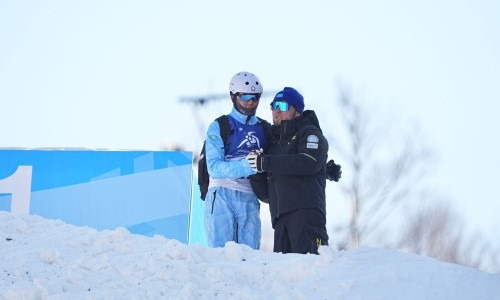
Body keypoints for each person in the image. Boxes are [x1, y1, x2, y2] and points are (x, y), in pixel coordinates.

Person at [246, 87, 329, 254]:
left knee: (311, 271)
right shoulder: (274, 145)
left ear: (297, 110)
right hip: (280, 221)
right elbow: (266, 195)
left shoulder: (309, 133)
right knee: (285, 276)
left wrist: (266, 162)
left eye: (283, 106)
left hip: (306, 215)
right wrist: (255, 170)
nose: (276, 111)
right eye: (274, 106)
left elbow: (308, 161)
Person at [203, 71, 269, 250]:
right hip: (222, 194)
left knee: (250, 257)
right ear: (233, 96)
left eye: (256, 97)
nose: (250, 102)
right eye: (245, 96)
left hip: (250, 196)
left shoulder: (265, 128)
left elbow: (284, 157)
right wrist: (248, 165)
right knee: (221, 255)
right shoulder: (220, 126)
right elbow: (214, 167)